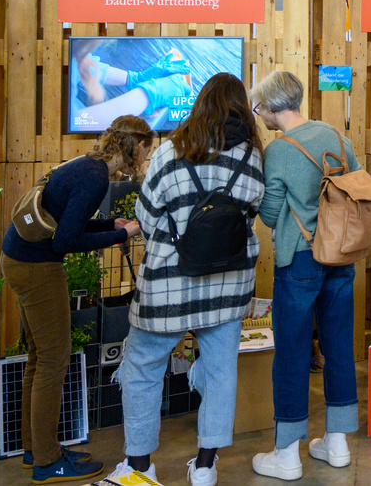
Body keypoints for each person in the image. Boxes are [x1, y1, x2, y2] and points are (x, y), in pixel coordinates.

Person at [111, 74, 265, 486]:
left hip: (167, 283)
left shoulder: (170, 150)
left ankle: (140, 468)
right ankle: (205, 466)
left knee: (142, 367)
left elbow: (144, 218)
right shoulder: (252, 156)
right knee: (219, 372)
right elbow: (249, 216)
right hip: (228, 286)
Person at [0, 117, 151, 484]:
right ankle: (48, 462)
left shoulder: (87, 166)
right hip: (37, 267)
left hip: (19, 258)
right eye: (149, 146)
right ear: (134, 146)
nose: (150, 154)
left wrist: (110, 224)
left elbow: (68, 223)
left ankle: (37, 448)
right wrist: (122, 235)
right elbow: (64, 242)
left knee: (40, 357)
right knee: (54, 359)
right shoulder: (96, 177)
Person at [248, 71, 362, 480]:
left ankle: (287, 453)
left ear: (274, 107)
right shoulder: (337, 137)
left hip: (299, 259)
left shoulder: (279, 151)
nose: (259, 115)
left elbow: (269, 213)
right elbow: (357, 187)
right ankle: (337, 444)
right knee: (338, 348)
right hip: (342, 256)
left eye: (259, 107)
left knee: (293, 354)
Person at [69, 39, 193, 129]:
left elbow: (78, 61)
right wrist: (149, 94)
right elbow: (79, 123)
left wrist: (132, 78)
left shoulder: (73, 49)